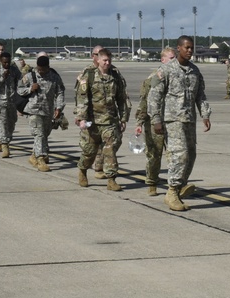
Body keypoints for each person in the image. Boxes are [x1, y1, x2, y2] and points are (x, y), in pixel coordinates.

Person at [148, 35, 212, 211]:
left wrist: (205, 114)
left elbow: (200, 95)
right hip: (172, 120)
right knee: (180, 155)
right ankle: (172, 192)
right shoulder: (166, 70)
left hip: (189, 120)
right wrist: (156, 119)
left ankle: (180, 186)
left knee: (191, 156)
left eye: (192, 48)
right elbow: (154, 96)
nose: (190, 51)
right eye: (187, 48)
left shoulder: (195, 71)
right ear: (178, 49)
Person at [75, 48, 131, 191]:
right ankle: (82, 170)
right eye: (104, 60)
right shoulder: (89, 75)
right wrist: (81, 118)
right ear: (98, 60)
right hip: (92, 122)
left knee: (110, 150)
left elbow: (122, 98)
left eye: (109, 60)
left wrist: (123, 118)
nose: (107, 63)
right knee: (89, 151)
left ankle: (111, 180)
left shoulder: (115, 76)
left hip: (110, 121)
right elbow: (82, 99)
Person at [135, 47, 175, 196]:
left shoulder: (177, 76)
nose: (174, 61)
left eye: (175, 58)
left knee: (175, 155)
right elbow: (144, 102)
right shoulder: (153, 78)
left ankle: (175, 186)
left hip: (172, 122)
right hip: (154, 122)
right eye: (171, 59)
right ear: (162, 60)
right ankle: (152, 183)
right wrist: (139, 123)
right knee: (154, 155)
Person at [18, 55, 65, 172]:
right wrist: (30, 89)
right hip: (33, 110)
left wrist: (59, 108)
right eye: (39, 69)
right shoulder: (29, 76)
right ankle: (40, 158)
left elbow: (60, 92)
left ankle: (34, 154)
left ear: (48, 67)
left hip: (48, 110)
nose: (40, 71)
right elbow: (19, 89)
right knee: (39, 134)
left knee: (45, 133)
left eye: (43, 69)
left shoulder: (54, 77)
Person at [0, 51, 21, 158]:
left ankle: (8, 139)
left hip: (12, 102)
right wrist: (2, 77)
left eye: (8, 62)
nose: (6, 64)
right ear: (1, 61)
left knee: (11, 123)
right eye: (4, 62)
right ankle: (5, 145)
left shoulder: (14, 70)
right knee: (2, 123)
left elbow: (21, 82)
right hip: (0, 102)